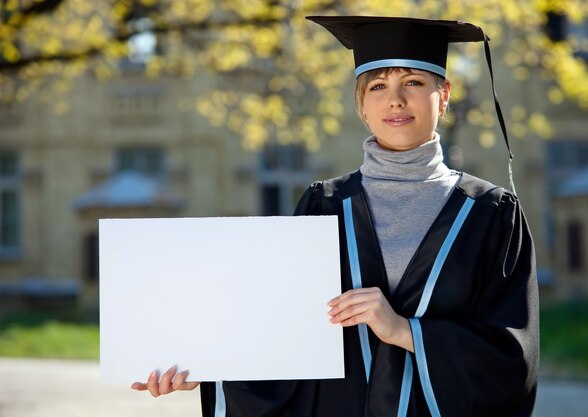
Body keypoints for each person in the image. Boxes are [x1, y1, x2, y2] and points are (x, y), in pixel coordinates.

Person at [132, 15, 539, 417]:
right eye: (377, 86)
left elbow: (511, 358)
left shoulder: (491, 214)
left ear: (444, 93)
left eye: (413, 82)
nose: (395, 99)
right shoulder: (323, 206)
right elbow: (280, 332)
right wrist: (209, 365)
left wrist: (404, 331)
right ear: (361, 104)